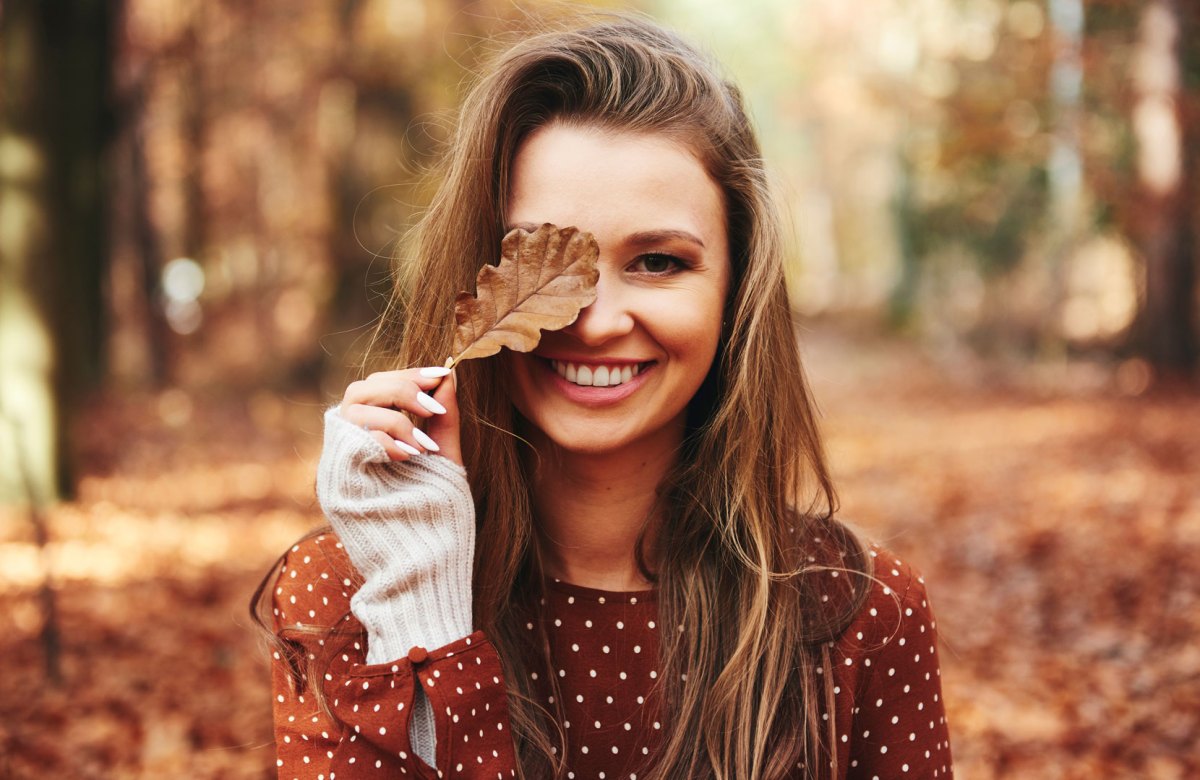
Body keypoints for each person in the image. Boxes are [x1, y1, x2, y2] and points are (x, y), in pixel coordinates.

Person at [255, 13, 953, 780]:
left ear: (734, 291)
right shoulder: (352, 593)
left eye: (657, 261)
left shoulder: (860, 613)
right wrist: (423, 609)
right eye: (543, 260)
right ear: (479, 277)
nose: (594, 322)